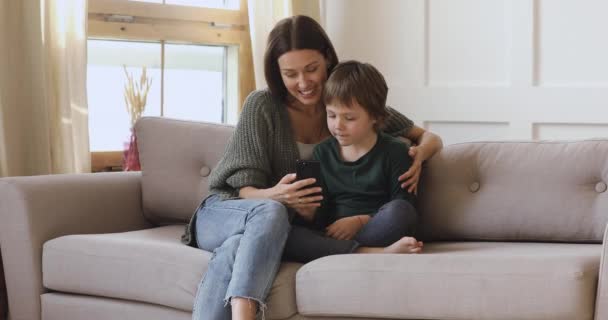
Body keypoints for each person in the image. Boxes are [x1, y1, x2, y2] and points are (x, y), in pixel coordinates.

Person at [181, 15, 443, 320]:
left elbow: (426, 136)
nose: (303, 83)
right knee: (272, 214)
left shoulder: (343, 101)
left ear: (327, 60)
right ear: (277, 74)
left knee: (241, 246)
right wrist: (276, 195)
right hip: (226, 211)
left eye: (311, 69)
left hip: (274, 227)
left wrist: (420, 155)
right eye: (290, 74)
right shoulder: (262, 105)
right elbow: (243, 189)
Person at [283, 61, 423, 263]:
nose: (338, 125)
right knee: (287, 234)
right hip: (333, 233)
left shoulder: (396, 151)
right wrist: (308, 212)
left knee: (401, 212)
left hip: (375, 227)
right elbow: (321, 217)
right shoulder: (323, 153)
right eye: (331, 115)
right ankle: (373, 253)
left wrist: (358, 221)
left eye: (349, 118)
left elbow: (404, 204)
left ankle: (340, 251)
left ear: (375, 116)